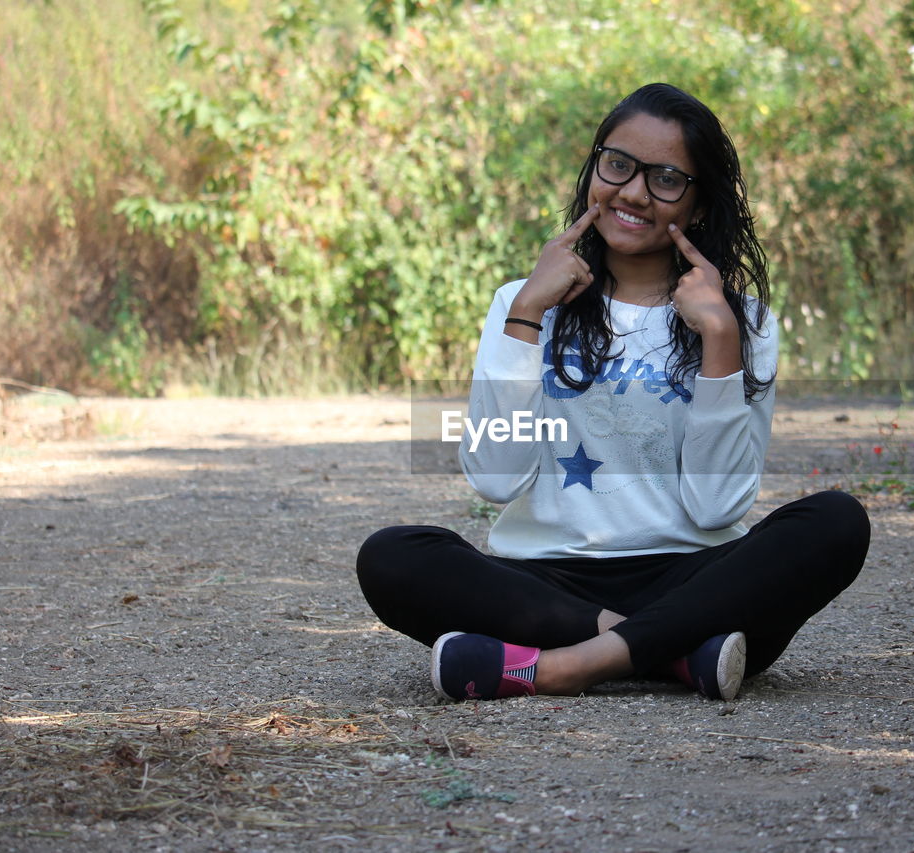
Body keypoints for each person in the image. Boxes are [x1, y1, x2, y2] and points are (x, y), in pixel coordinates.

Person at [357, 83, 869, 701]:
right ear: (596, 165)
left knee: (837, 522)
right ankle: (676, 656)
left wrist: (720, 340)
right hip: (543, 585)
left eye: (667, 179)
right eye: (619, 164)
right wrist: (525, 314)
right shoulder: (520, 303)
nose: (632, 192)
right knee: (393, 556)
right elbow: (495, 478)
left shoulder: (743, 322)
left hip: (696, 580)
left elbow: (717, 508)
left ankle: (557, 668)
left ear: (700, 203)